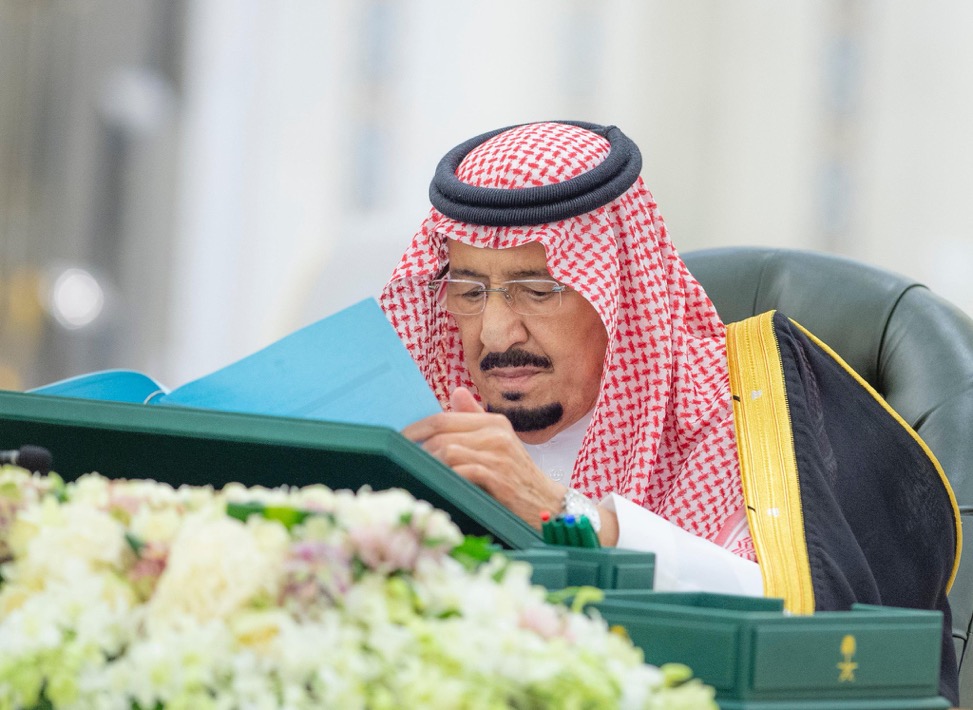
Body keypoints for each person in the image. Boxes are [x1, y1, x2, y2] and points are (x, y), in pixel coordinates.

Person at [379, 120, 960, 703]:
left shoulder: (742, 413)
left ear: (617, 290)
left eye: (537, 289)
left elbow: (803, 629)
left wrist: (565, 516)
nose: (495, 332)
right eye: (470, 292)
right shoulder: (427, 417)